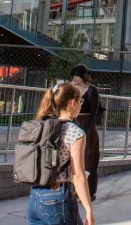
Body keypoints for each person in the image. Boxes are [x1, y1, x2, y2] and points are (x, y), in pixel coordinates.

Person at [26, 82, 94, 225]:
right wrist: (88, 209)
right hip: (58, 198)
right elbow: (78, 176)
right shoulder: (75, 132)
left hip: (35, 196)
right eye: (80, 101)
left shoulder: (42, 126)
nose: (81, 105)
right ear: (72, 103)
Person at [70, 64, 103, 202]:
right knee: (75, 157)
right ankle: (75, 190)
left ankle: (89, 191)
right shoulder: (72, 89)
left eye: (77, 75)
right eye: (73, 76)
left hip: (87, 124)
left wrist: (85, 127)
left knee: (89, 156)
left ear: (83, 76)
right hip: (74, 121)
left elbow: (94, 109)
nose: (75, 78)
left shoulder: (91, 90)